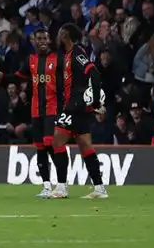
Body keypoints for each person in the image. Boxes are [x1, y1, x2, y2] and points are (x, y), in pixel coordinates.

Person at [0, 27, 64, 198]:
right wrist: (0, 75)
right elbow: (16, 77)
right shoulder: (30, 60)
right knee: (40, 147)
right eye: (37, 38)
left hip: (52, 108)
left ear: (49, 40)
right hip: (36, 109)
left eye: (44, 38)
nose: (40, 41)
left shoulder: (58, 59)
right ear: (33, 41)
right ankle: (47, 186)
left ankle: (62, 185)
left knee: (50, 144)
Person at [49, 24, 108, 200]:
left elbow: (94, 74)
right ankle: (99, 188)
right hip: (74, 105)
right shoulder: (65, 54)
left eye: (59, 32)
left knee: (57, 140)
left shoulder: (77, 53)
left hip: (76, 106)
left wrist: (96, 101)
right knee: (84, 145)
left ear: (65, 35)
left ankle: (61, 187)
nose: (57, 35)